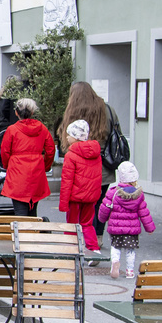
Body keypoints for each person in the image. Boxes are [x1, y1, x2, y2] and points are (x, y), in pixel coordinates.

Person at [57, 81, 117, 246]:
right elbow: (115, 131)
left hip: (78, 168)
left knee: (77, 210)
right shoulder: (107, 109)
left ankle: (75, 239)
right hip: (102, 165)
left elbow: (64, 135)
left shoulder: (72, 111)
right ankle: (96, 238)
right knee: (98, 203)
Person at [98, 162, 155, 279]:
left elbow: (104, 208)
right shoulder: (138, 195)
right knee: (130, 250)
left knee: (115, 247)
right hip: (132, 229)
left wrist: (101, 219)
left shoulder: (113, 193)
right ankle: (130, 271)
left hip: (115, 227)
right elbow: (144, 212)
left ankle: (115, 262)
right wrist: (150, 228)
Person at [0, 98, 55, 216]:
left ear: (16, 112)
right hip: (36, 170)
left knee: (20, 211)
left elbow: (5, 151)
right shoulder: (42, 128)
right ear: (32, 112)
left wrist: (8, 166)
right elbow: (50, 150)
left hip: (17, 170)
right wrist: (45, 166)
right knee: (33, 210)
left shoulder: (12, 130)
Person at [59, 119, 102, 252]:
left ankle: (71, 249)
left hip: (75, 197)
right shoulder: (96, 154)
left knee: (71, 225)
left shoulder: (70, 155)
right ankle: (94, 249)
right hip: (90, 197)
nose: (67, 137)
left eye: (69, 135)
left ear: (76, 137)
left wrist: (63, 203)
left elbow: (67, 181)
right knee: (87, 224)